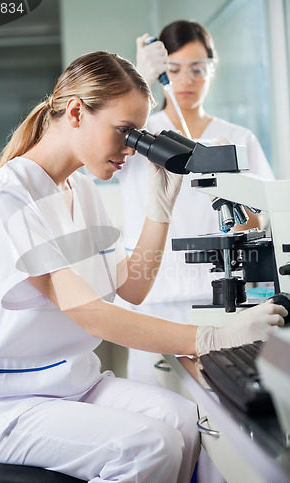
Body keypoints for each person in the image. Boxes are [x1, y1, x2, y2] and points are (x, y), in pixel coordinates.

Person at [0, 51, 286, 483]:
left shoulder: (81, 189)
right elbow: (91, 315)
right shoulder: (8, 198)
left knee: (189, 421)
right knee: (147, 447)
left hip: (77, 386)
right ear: (76, 112)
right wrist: (210, 338)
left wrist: (160, 209)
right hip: (7, 406)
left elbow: (132, 285)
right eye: (125, 132)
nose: (132, 148)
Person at [115, 20, 275, 385]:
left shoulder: (238, 137)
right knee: (160, 423)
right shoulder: (139, 132)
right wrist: (134, 79)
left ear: (212, 71)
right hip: (151, 304)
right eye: (174, 69)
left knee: (220, 420)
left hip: (224, 304)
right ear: (161, 73)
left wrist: (240, 202)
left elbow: (261, 218)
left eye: (198, 69)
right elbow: (89, 163)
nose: (186, 80)